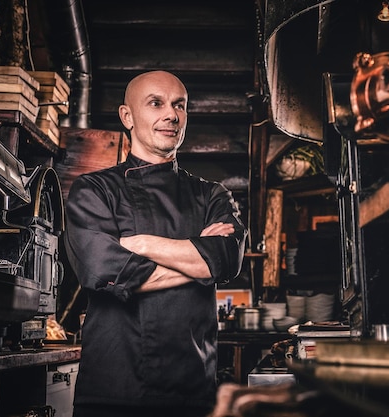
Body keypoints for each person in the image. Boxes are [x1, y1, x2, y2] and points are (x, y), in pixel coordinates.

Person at [64, 70, 247, 417]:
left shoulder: (211, 194)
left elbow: (225, 259)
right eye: (156, 103)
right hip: (112, 390)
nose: (171, 115)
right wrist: (198, 260)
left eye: (180, 105)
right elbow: (102, 269)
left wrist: (142, 244)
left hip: (192, 389)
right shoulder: (94, 190)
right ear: (127, 116)